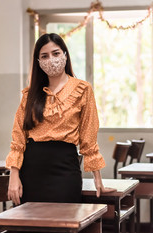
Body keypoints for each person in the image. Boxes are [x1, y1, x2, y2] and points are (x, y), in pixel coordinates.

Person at [6, 33, 115, 205]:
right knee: (30, 229)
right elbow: (18, 137)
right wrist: (14, 175)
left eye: (56, 53)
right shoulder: (30, 94)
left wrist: (98, 180)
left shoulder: (82, 89)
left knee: (65, 226)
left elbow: (89, 137)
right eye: (44, 56)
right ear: (38, 62)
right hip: (31, 171)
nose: (51, 59)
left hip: (65, 169)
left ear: (65, 54)